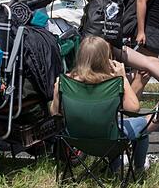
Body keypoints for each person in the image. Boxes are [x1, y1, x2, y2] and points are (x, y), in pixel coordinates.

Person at [50, 36, 150, 172]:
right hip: (109, 140)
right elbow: (134, 109)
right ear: (105, 58)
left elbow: (55, 113)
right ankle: (139, 169)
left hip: (75, 139)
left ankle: (115, 167)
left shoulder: (64, 82)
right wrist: (123, 78)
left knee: (113, 125)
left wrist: (56, 92)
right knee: (141, 123)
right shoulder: (113, 82)